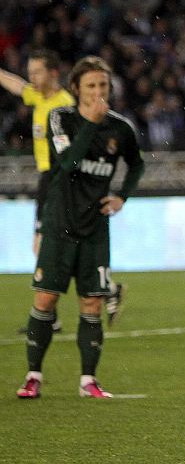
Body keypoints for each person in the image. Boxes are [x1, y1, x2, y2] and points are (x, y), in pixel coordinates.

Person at [16, 56, 145, 400]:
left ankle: (89, 381)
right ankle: (33, 376)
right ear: (76, 89)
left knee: (91, 304)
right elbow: (68, 162)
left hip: (95, 228)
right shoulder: (61, 118)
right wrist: (89, 124)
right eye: (91, 85)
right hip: (60, 224)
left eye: (103, 85)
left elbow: (137, 164)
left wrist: (122, 197)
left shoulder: (121, 128)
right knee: (45, 299)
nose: (98, 92)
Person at [0, 50, 128, 331]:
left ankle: (96, 293)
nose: (31, 78)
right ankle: (83, 301)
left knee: (50, 244)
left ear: (54, 74)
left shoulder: (65, 104)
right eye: (30, 72)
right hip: (47, 179)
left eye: (37, 72)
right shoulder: (38, 96)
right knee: (45, 245)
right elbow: (14, 83)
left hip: (64, 182)